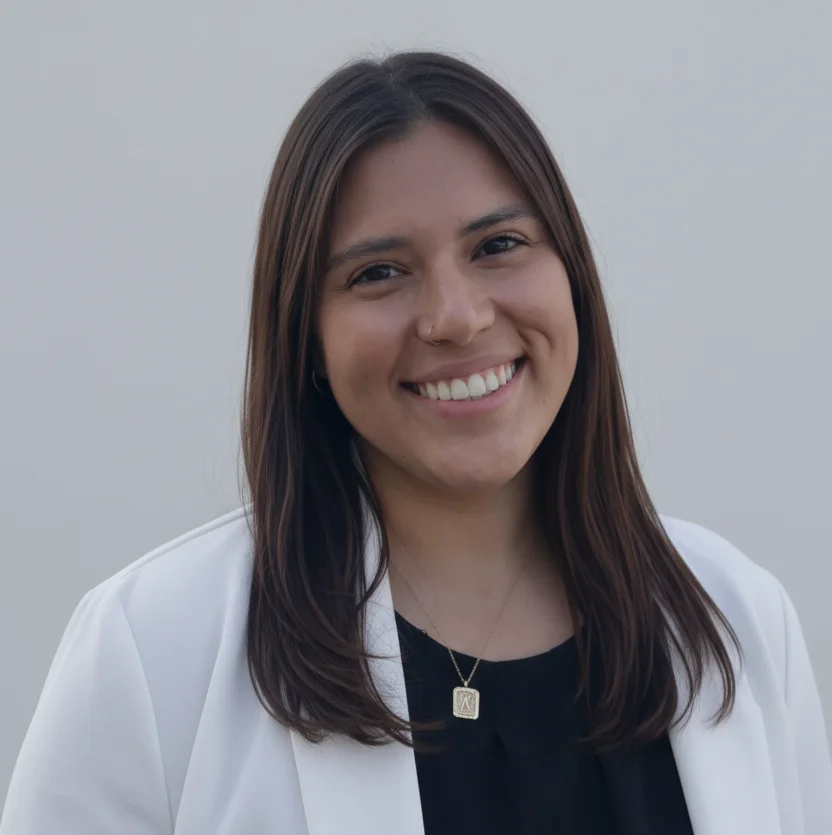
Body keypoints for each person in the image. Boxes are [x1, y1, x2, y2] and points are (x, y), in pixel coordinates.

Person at [2, 49, 830, 835]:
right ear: (306, 336)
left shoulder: (741, 620)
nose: (455, 318)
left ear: (573, 274)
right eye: (379, 273)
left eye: (498, 246)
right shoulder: (150, 653)